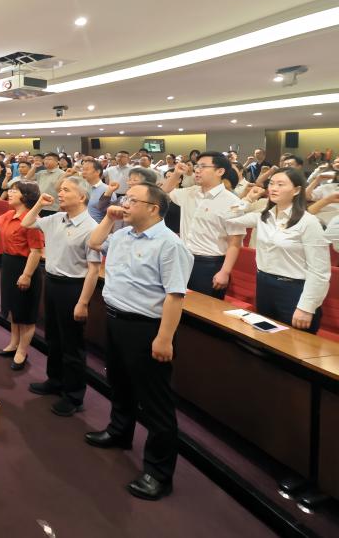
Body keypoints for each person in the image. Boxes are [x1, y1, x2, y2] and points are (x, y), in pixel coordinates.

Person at [86, 182, 194, 501]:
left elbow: (175, 296)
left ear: (153, 209)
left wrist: (164, 338)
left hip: (147, 327)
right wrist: (109, 218)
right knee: (119, 383)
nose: (125, 204)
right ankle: (119, 431)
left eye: (132, 200)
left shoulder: (169, 244)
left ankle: (158, 473)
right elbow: (94, 242)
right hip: (116, 319)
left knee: (155, 402)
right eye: (125, 198)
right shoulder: (123, 234)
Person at [21, 176, 102, 416]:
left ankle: (74, 396)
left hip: (73, 287)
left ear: (82, 197)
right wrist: (39, 204)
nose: (60, 193)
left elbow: (94, 270)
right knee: (53, 337)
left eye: (66, 190)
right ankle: (54, 380)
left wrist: (83, 302)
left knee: (72, 344)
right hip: (53, 282)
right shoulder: (57, 218)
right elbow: (26, 222)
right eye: (60, 190)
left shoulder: (91, 228)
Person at [227, 169, 330, 333]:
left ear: (296, 190)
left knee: (294, 342)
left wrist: (307, 307)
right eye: (271, 183)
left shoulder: (308, 222)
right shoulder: (264, 216)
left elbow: (319, 271)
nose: (273, 188)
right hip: (264, 284)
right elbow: (227, 219)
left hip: (293, 290)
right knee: (264, 337)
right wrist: (248, 199)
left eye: (280, 184)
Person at [160, 153, 245, 299]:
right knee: (177, 302)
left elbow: (235, 243)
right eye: (197, 166)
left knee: (205, 308)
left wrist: (225, 272)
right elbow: (163, 191)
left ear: (220, 171)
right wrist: (176, 174)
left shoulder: (233, 202)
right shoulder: (189, 192)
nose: (197, 170)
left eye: (203, 166)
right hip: (183, 258)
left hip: (209, 264)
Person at [0, 181, 44, 369]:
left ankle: (22, 351)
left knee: (25, 313)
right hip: (9, 264)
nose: (9, 193)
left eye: (14, 191)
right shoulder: (9, 214)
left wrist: (26, 275)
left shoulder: (32, 219)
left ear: (26, 196)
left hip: (25, 266)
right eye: (10, 190)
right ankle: (13, 344)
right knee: (13, 308)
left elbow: (36, 251)